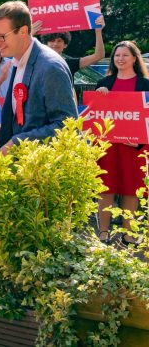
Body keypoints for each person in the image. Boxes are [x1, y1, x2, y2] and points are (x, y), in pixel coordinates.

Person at [0, 1, 77, 155]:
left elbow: (66, 126)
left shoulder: (50, 67)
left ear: (23, 31)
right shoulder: (17, 60)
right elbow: (31, 117)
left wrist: (17, 141)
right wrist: (6, 129)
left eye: (1, 37)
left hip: (43, 171)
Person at [94, 41, 149, 245]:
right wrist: (100, 97)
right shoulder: (104, 83)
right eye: (117, 55)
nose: (120, 59)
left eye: (125, 55)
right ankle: (104, 231)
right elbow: (95, 114)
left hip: (135, 147)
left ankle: (129, 233)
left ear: (135, 58)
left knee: (131, 188)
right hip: (108, 146)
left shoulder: (145, 84)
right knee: (106, 188)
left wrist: (137, 142)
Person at [40, 16, 105, 76]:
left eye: (59, 41)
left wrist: (98, 31)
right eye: (52, 40)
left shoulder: (70, 63)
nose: (55, 44)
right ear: (46, 44)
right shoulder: (38, 62)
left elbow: (98, 56)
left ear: (65, 45)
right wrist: (31, 33)